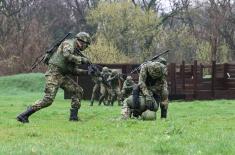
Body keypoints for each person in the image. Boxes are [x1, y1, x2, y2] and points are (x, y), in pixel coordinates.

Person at [17, 32, 91, 123]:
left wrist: (87, 72)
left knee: (78, 91)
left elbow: (73, 71)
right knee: (48, 100)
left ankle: (73, 117)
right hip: (53, 73)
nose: (86, 47)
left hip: (62, 76)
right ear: (82, 41)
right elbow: (67, 56)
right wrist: (82, 60)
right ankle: (23, 115)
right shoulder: (69, 44)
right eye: (86, 45)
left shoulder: (76, 52)